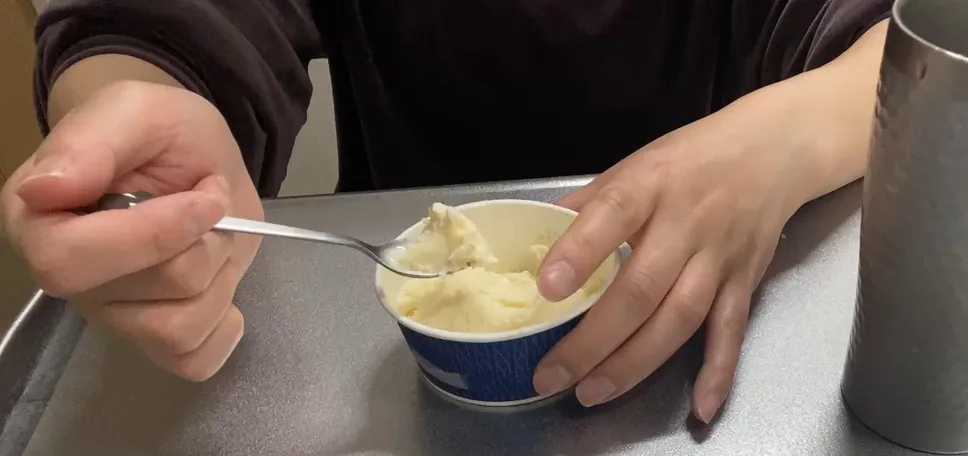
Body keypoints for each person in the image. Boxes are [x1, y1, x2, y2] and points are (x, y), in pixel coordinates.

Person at [2, 0, 890, 422]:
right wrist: (133, 108)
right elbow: (165, 23)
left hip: (697, 367)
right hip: (391, 385)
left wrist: (786, 137)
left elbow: (902, 43)